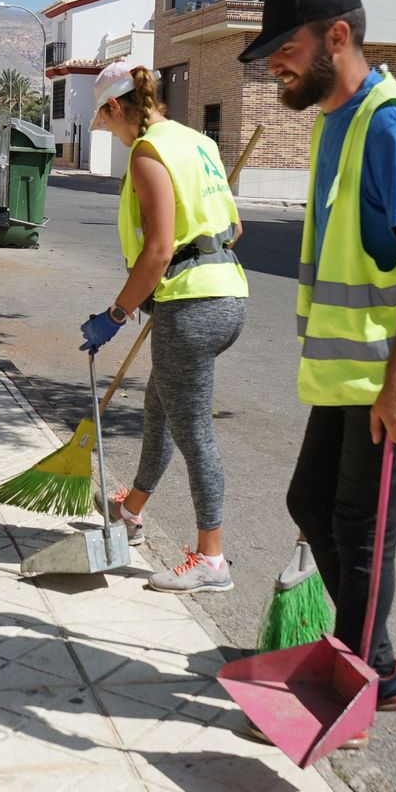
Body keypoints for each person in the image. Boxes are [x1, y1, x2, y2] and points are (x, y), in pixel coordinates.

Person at [238, 0, 396, 737]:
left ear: (336, 37)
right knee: (311, 504)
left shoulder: (392, 124)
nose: (274, 63)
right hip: (359, 369)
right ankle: (379, 663)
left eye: (285, 48)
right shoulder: (332, 125)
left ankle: (354, 688)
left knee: (362, 528)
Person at [80, 60, 249, 594]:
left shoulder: (148, 153)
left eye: (103, 123)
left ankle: (211, 558)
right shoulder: (198, 142)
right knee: (161, 408)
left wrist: (116, 313)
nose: (106, 132)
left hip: (192, 307)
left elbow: (155, 250)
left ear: (115, 107)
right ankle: (131, 511)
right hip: (227, 295)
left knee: (193, 428)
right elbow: (235, 227)